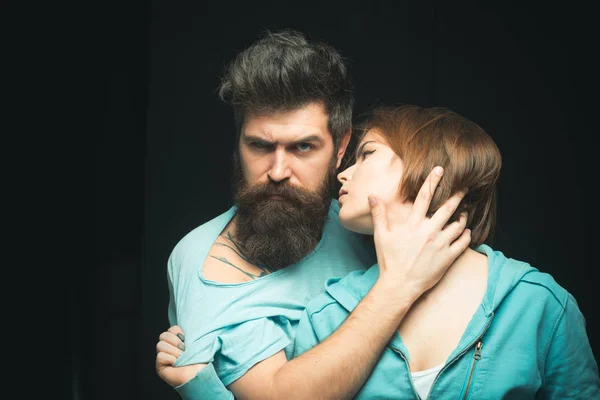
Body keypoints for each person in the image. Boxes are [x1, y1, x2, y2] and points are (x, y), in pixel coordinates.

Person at [154, 30, 471, 399]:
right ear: (239, 141)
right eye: (259, 145)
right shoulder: (207, 267)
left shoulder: (363, 219)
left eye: (303, 147)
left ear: (341, 149)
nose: (277, 171)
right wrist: (398, 286)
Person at [291, 104, 600, 398]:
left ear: (427, 163)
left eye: (367, 154)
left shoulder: (537, 304)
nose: (342, 175)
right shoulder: (328, 315)